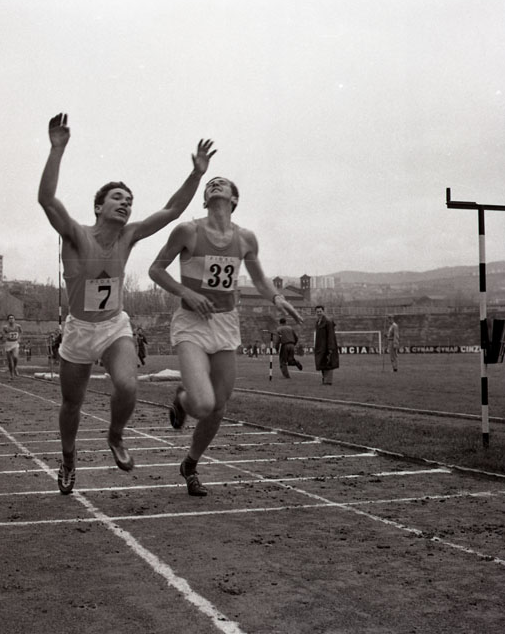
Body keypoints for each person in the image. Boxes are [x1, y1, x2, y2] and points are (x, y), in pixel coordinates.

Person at [37, 112, 216, 495]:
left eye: (130, 200)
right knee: (72, 403)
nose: (125, 204)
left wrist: (196, 174)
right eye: (117, 198)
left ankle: (115, 435)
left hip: (114, 326)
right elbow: (47, 200)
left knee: (127, 385)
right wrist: (57, 149)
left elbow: (171, 210)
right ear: (99, 207)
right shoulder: (76, 235)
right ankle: (68, 457)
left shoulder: (129, 236)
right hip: (79, 330)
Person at [148, 176, 303, 496]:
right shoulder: (187, 231)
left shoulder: (245, 238)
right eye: (210, 184)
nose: (215, 184)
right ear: (205, 200)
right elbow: (156, 270)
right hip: (192, 323)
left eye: (222, 183)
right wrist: (186, 293)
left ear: (234, 199)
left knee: (218, 406)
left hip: (225, 324)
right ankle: (183, 399)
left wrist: (277, 298)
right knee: (203, 403)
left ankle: (190, 464)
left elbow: (259, 280)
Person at [314, 305, 339, 385]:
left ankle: (328, 381)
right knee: (322, 363)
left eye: (320, 311)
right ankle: (325, 379)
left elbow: (331, 335)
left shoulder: (328, 322)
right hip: (321, 347)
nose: (319, 313)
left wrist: (330, 348)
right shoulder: (318, 322)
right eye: (317, 312)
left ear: (323, 311)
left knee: (328, 363)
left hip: (327, 346)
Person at [0, 314, 22, 379]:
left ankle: (15, 367)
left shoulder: (18, 326)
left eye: (12, 318)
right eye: (10, 318)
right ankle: (11, 374)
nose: (11, 319)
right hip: (8, 343)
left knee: (15, 357)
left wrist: (19, 338)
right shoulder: (5, 327)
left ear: (14, 319)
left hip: (15, 343)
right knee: (10, 361)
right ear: (8, 320)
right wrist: (4, 337)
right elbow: (3, 334)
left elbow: (21, 332)